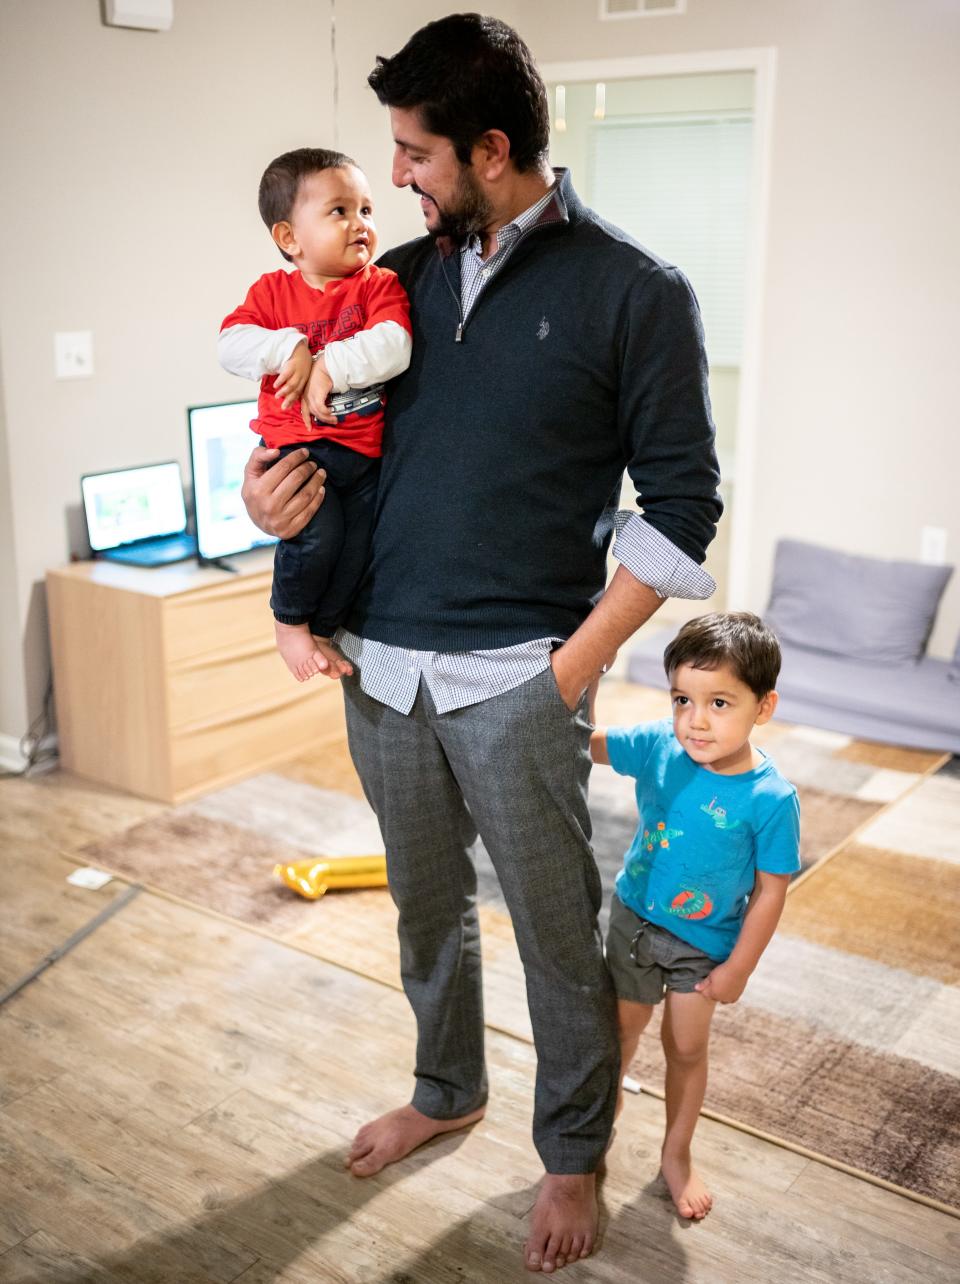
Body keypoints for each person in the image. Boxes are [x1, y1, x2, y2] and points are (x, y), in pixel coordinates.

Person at [241, 15, 723, 1274]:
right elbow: (319, 439)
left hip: (517, 678)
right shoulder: (387, 284)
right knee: (423, 907)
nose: (394, 175)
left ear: (491, 146)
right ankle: (445, 1086)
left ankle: (572, 1154)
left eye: (415, 152)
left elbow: (682, 512)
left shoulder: (637, 292)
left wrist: (569, 670)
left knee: (560, 929)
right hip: (378, 667)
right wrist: (262, 502)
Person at [592, 612, 800, 1221]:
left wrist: (738, 968)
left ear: (763, 708)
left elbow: (771, 892)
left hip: (703, 946)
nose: (696, 720)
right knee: (621, 1031)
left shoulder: (770, 797)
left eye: (719, 703)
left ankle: (676, 1153)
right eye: (684, 699)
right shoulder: (662, 743)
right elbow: (589, 742)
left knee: (684, 1045)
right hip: (634, 921)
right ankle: (602, 1119)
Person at [219, 148, 411, 681]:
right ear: (289, 238)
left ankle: (324, 627)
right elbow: (230, 345)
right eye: (340, 211)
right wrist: (289, 348)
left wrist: (330, 363)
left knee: (357, 548)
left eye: (367, 210)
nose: (360, 224)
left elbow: (395, 344)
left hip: (363, 454)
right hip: (299, 450)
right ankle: (290, 622)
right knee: (317, 537)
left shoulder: (380, 285)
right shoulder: (272, 294)